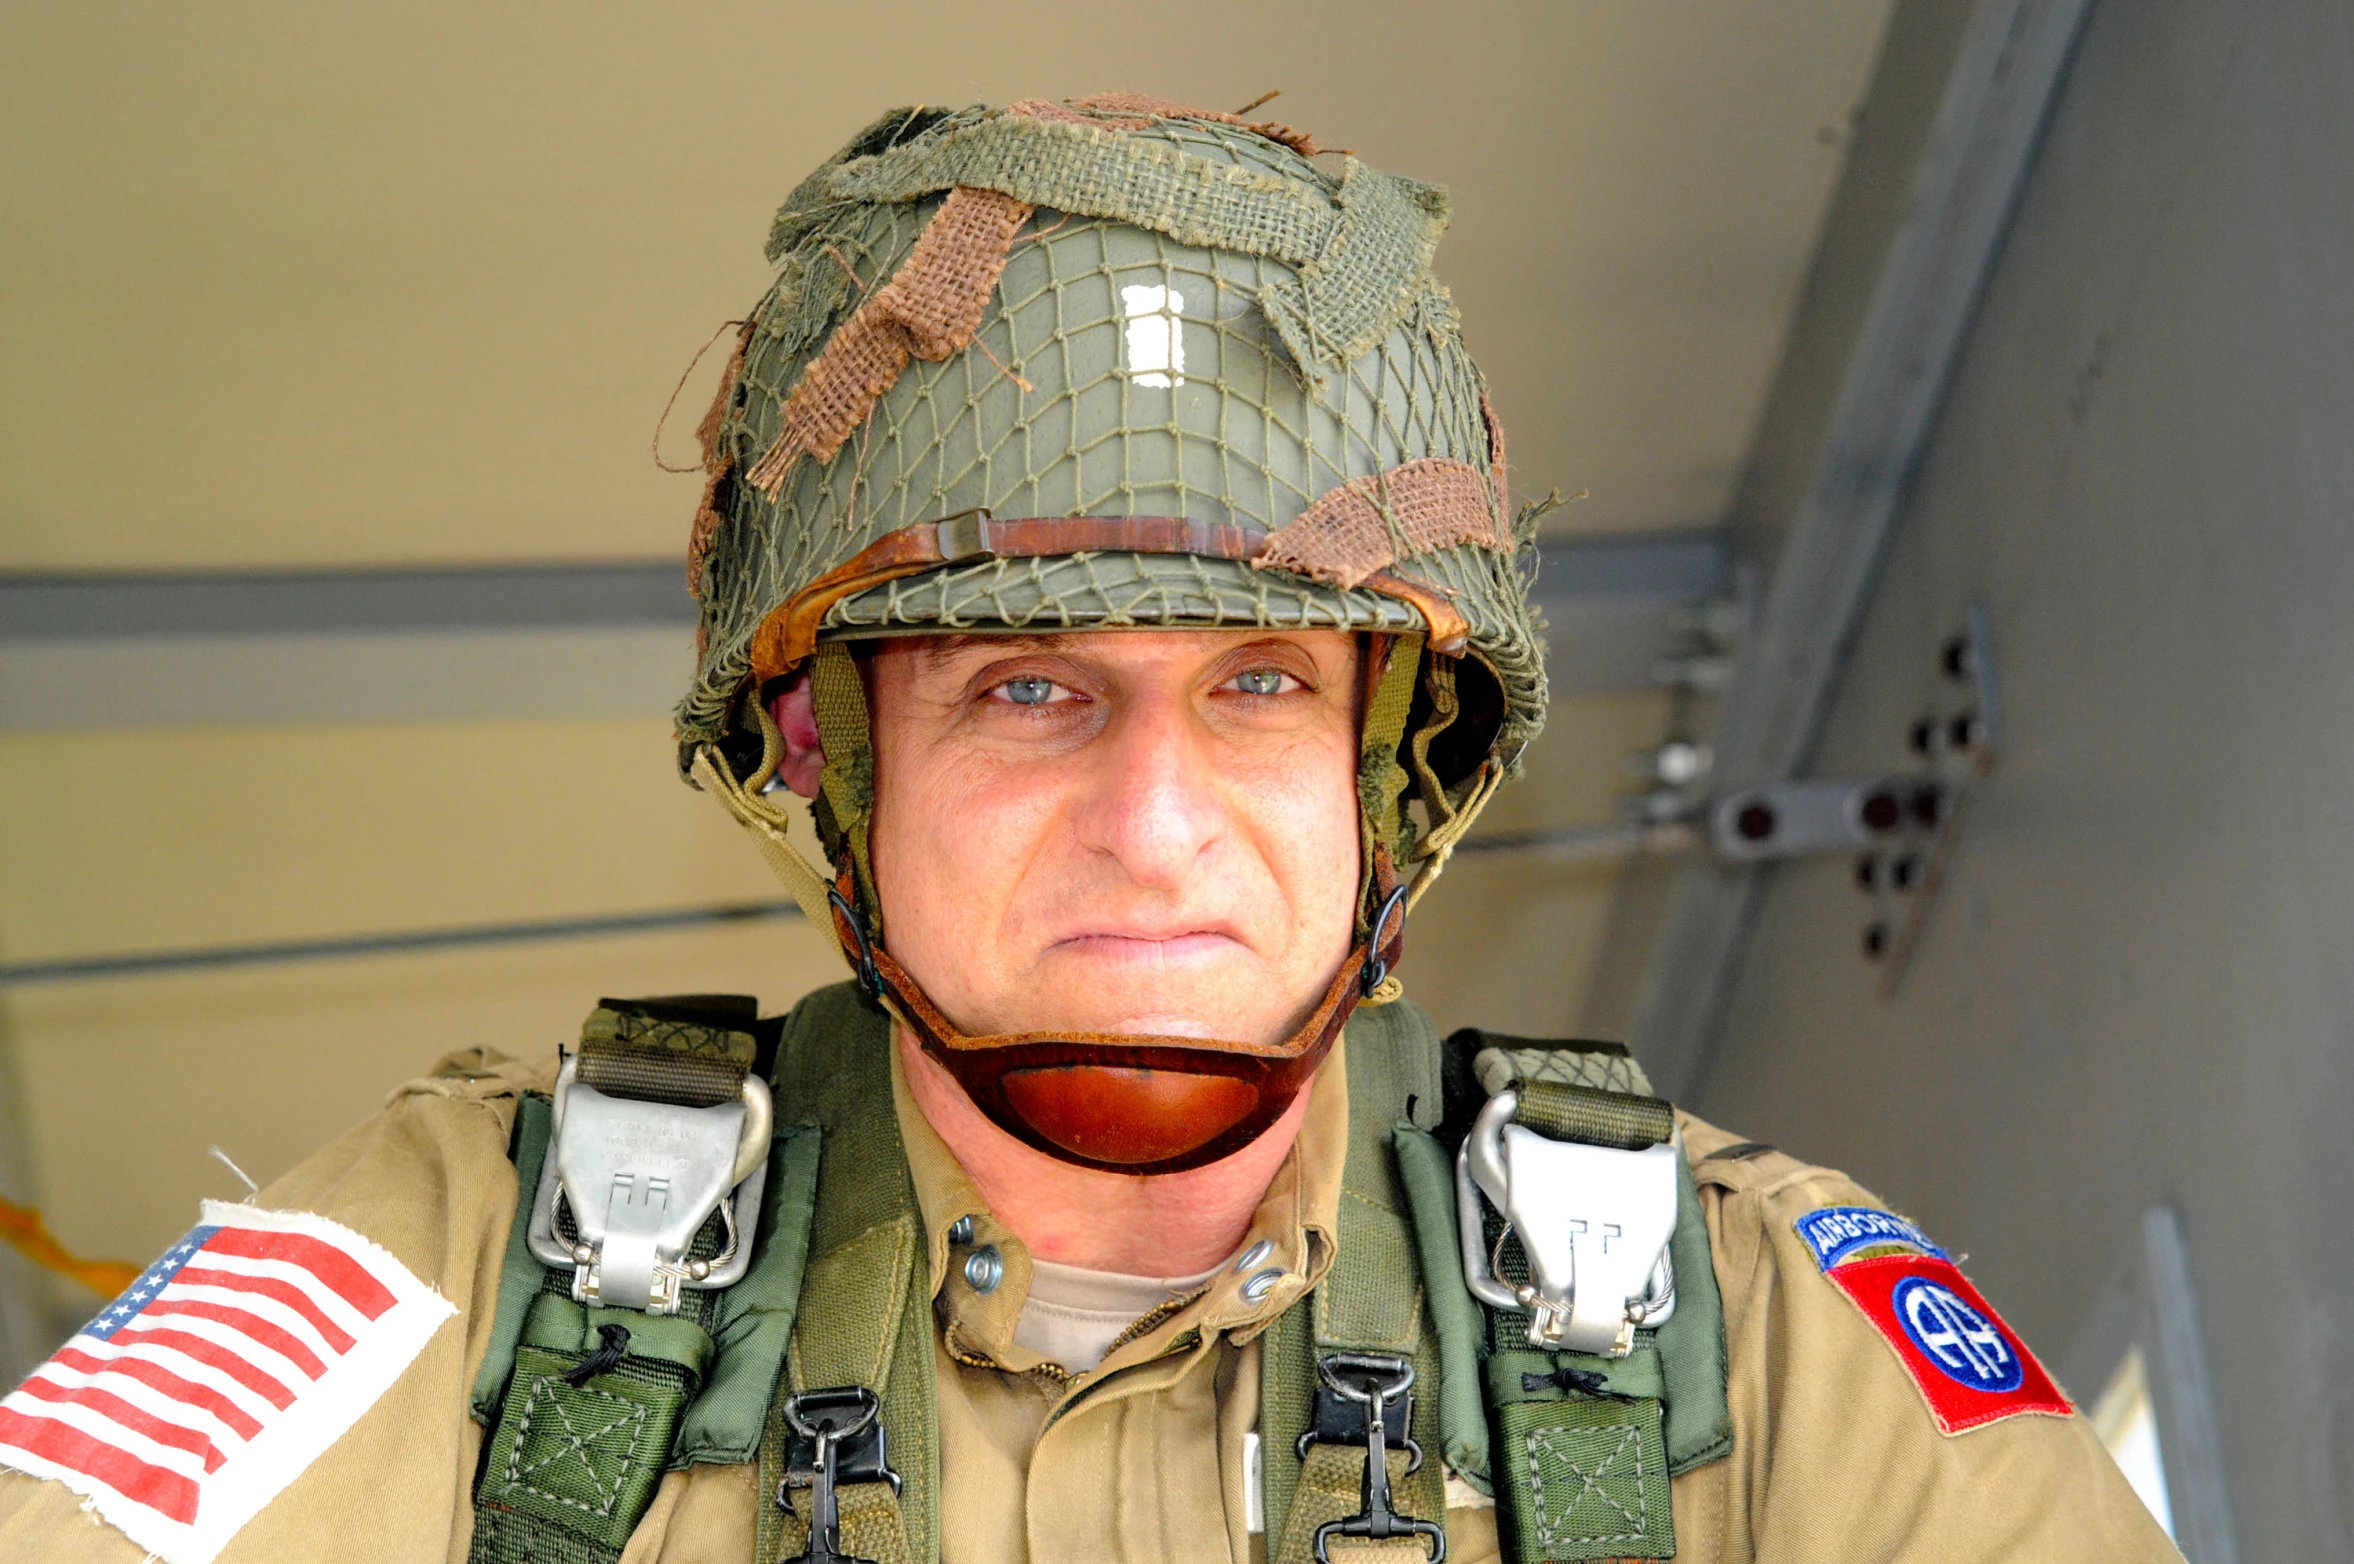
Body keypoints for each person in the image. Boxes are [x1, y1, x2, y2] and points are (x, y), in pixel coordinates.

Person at [0, 96, 2176, 1564]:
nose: (1155, 822)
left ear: (1388, 769)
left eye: (1256, 689)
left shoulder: (1749, 1335)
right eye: (1027, 691)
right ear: (833, 771)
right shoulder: (488, 1276)